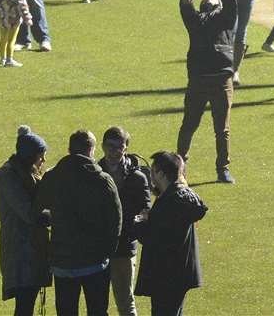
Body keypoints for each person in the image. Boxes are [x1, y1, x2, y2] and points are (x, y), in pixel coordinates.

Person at [35, 130, 123, 316]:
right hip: (95, 260)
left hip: (63, 261)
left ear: (69, 149)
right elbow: (115, 220)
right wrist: (108, 251)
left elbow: (37, 209)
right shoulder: (103, 180)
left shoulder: (53, 177)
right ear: (91, 150)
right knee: (98, 311)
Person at [176, 0, 237, 184]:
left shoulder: (226, 19)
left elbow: (231, 0)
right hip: (200, 81)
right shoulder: (196, 21)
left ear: (218, 5)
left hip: (221, 80)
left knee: (222, 130)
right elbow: (184, 2)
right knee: (189, 125)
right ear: (202, 5)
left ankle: (223, 169)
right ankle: (180, 169)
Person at [0, 125, 51, 316]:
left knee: (26, 304)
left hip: (29, 250)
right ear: (31, 157)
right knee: (24, 307)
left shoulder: (23, 176)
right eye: (41, 156)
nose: (44, 160)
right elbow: (29, 214)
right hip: (21, 252)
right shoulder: (9, 179)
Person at [133, 151, 206, 316]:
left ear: (160, 172)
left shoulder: (168, 203)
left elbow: (149, 238)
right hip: (180, 273)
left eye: (153, 171)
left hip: (165, 275)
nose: (151, 176)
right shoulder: (181, 196)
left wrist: (140, 220)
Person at [98, 127, 152, 316]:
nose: (113, 152)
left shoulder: (137, 178)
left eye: (119, 147)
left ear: (126, 147)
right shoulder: (94, 173)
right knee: (96, 305)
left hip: (124, 248)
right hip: (97, 247)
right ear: (102, 146)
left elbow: (145, 212)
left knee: (125, 303)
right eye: (109, 146)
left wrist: (132, 226)